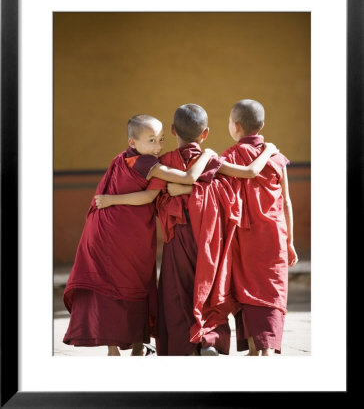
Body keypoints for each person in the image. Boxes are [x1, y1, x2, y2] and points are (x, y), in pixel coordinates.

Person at [95, 104, 279, 356]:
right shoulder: (213, 159)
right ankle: (210, 340)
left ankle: (182, 348)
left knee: (175, 293)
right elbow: (232, 191)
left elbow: (154, 194)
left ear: (171, 131)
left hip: (177, 236)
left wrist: (186, 191)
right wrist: (268, 150)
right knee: (212, 289)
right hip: (209, 237)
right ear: (205, 134)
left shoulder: (164, 161)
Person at [63, 114, 218, 356]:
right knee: (129, 285)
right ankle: (127, 345)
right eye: (151, 140)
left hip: (107, 229)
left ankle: (125, 346)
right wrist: (207, 155)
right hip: (118, 233)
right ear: (133, 142)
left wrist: (109, 200)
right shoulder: (147, 163)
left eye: (161, 139)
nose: (158, 147)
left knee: (112, 285)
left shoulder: (124, 157)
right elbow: (180, 181)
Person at [222, 99, 299, 356]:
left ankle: (255, 348)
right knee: (272, 289)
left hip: (243, 239)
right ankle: (268, 349)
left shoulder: (230, 157)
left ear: (235, 126)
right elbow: (286, 201)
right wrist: (290, 241)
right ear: (262, 125)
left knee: (246, 288)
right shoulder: (277, 157)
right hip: (275, 236)